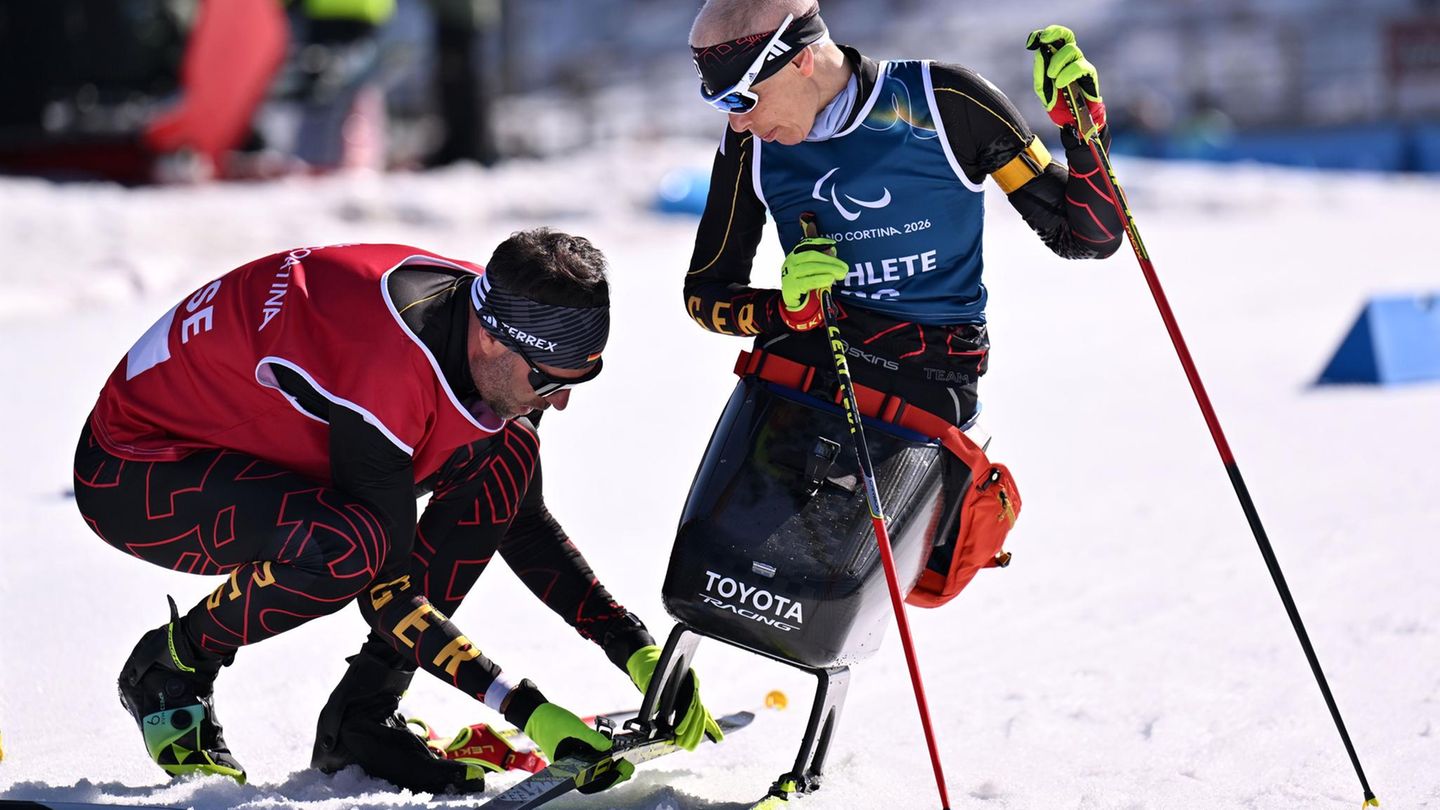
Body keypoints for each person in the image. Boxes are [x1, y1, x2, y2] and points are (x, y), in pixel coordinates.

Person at [73, 232, 719, 792]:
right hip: (134, 469)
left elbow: (518, 518)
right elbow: (388, 593)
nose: (561, 402)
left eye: (576, 382)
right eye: (549, 382)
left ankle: (361, 719)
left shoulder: (488, 317)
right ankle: (172, 665)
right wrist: (528, 712)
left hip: (247, 428)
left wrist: (635, 649)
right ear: (495, 344)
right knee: (351, 548)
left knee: (507, 451)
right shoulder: (387, 371)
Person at [684, 0, 1124, 428]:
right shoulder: (750, 146)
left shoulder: (944, 102)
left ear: (800, 60)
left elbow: (1087, 238)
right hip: (806, 369)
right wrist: (787, 310)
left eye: (742, 99)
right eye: (722, 105)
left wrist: (1085, 132)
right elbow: (705, 292)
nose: (737, 122)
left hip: (931, 379)